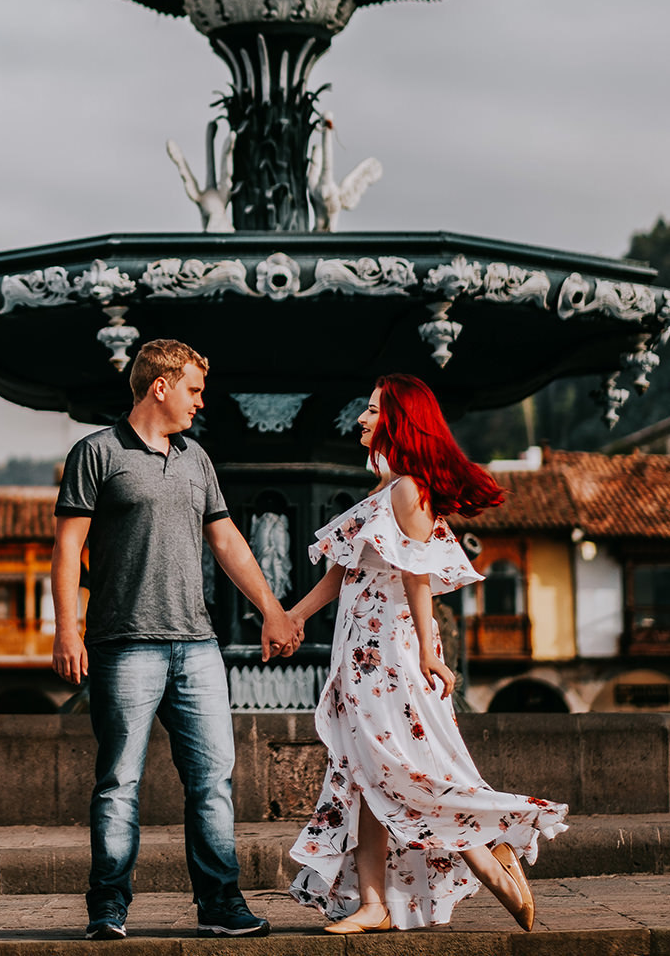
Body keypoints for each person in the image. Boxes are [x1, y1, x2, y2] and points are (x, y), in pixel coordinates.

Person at [284, 374, 568, 933]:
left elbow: (416, 574)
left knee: (397, 767)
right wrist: (292, 617)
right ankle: (375, 902)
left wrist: (425, 653)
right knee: (366, 771)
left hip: (390, 651)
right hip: (360, 648)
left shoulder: (408, 490)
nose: (361, 419)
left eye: (372, 410)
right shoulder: (383, 491)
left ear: (398, 420)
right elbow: (342, 574)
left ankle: (485, 850)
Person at [52, 337, 302, 940]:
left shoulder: (197, 459)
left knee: (213, 779)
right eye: (193, 390)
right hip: (123, 643)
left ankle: (220, 904)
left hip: (197, 646)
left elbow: (228, 543)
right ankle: (107, 907)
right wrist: (67, 629)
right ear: (158, 386)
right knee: (118, 782)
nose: (199, 403)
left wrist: (272, 608)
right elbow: (66, 550)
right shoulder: (97, 453)